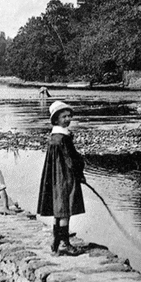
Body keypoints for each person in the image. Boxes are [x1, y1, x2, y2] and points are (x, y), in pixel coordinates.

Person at [37, 101, 85, 256]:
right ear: (56, 119)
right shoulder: (63, 138)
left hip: (55, 178)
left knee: (58, 210)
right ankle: (64, 244)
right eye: (64, 116)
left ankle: (56, 242)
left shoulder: (54, 136)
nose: (68, 119)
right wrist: (80, 173)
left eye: (69, 116)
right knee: (65, 210)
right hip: (65, 177)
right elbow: (71, 160)